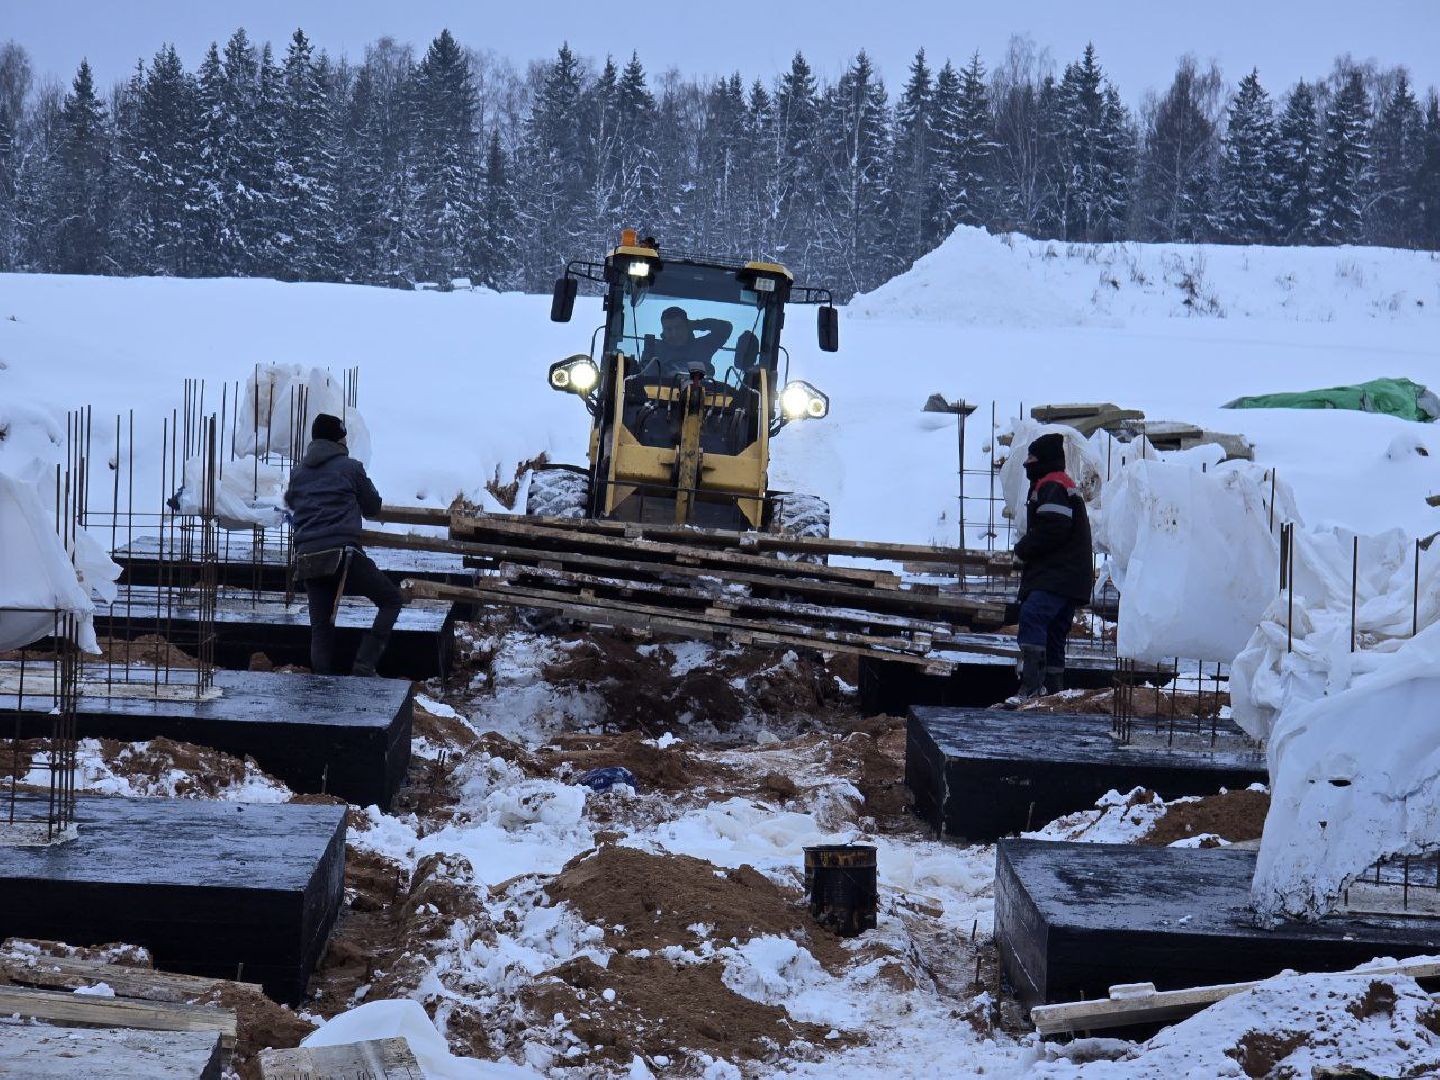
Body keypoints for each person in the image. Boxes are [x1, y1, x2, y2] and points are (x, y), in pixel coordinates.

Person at [284, 413, 404, 677]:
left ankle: (322, 683)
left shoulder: (298, 473)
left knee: (321, 627)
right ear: (339, 439)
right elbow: (373, 506)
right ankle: (364, 663)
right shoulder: (350, 468)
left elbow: (291, 502)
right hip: (343, 555)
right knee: (391, 600)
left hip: (308, 559)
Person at [1006, 432, 1093, 706]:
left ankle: (1031, 687)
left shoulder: (1052, 485)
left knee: (1032, 615)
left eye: (1032, 457)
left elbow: (1053, 528)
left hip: (1057, 574)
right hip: (1070, 576)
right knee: (1054, 630)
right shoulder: (1060, 484)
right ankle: (1054, 693)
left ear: (1043, 460)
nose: (1027, 463)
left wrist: (1023, 548)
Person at [643, 306, 733, 377]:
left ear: (687, 326)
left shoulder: (703, 345)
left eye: (678, 327)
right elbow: (643, 376)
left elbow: (725, 327)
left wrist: (696, 324)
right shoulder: (654, 350)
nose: (674, 333)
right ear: (663, 330)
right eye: (668, 329)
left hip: (699, 394)